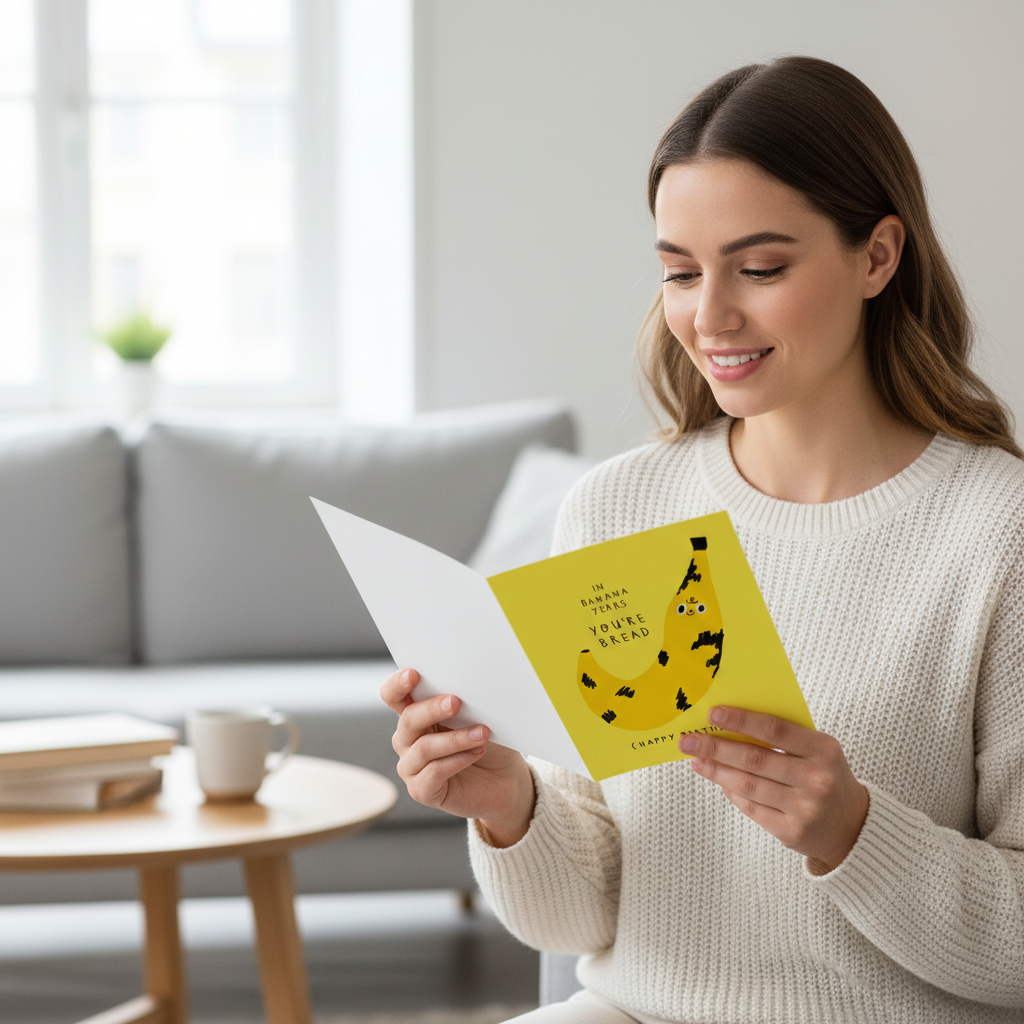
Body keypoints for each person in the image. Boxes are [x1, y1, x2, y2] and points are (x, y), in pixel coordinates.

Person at [380, 56, 1024, 1023]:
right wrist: (509, 806)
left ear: (878, 257)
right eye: (679, 271)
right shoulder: (618, 508)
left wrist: (851, 831)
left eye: (759, 268)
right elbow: (586, 914)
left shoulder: (999, 533)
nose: (708, 315)